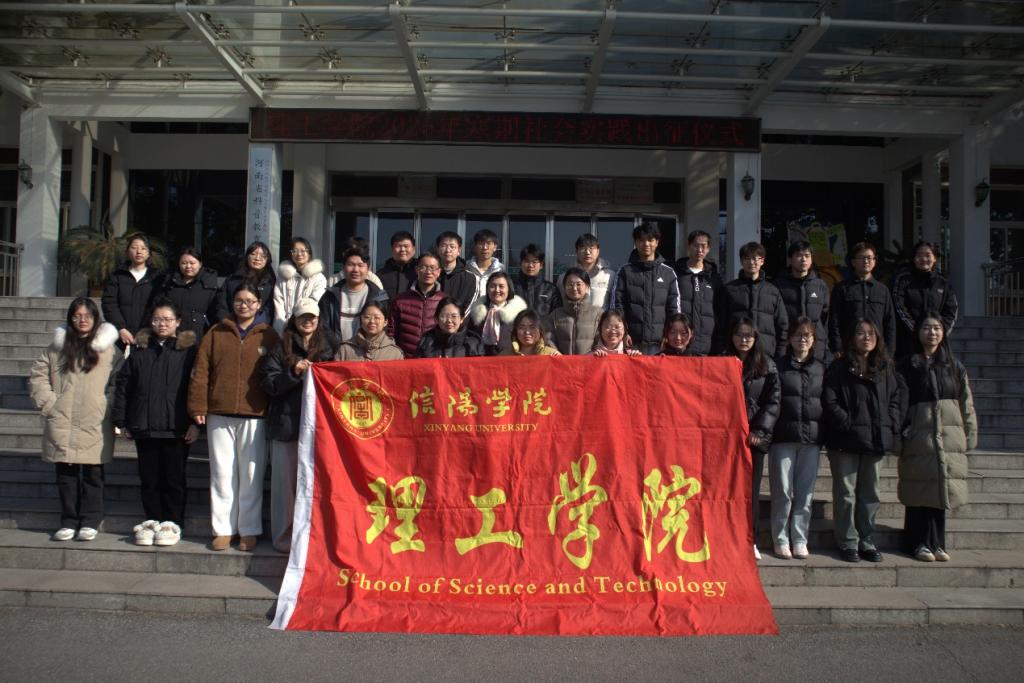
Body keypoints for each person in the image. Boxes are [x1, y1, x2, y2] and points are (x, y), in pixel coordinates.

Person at [188, 282, 280, 552]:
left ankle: (249, 530)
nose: (244, 305)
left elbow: (275, 373)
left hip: (255, 414)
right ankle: (223, 529)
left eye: (250, 301)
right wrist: (198, 406)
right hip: (219, 412)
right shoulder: (216, 332)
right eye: (240, 300)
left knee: (251, 475)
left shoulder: (269, 335)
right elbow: (201, 371)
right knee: (221, 473)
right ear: (232, 303)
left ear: (259, 305)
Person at [28, 298, 121, 542]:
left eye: (87, 316)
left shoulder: (109, 349)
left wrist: (107, 406)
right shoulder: (56, 347)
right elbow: (38, 376)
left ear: (95, 318)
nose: (82, 320)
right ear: (70, 318)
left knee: (93, 474)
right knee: (65, 474)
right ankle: (69, 520)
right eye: (77, 315)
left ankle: (91, 520)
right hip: (63, 418)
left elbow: (119, 381)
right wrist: (50, 404)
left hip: (95, 419)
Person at [112, 298, 199, 547]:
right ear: (151, 321)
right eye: (158, 319)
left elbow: (196, 388)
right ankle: (152, 520)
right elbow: (124, 386)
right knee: (149, 478)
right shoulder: (139, 351)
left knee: (174, 479)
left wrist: (196, 423)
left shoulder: (188, 352)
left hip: (177, 427)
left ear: (178, 322)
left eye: (168, 319)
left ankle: (173, 523)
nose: (162, 324)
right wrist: (122, 420)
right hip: (145, 425)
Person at [262, 299, 341, 553]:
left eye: (312, 317)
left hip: (321, 427)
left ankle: (315, 538)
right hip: (286, 424)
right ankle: (284, 538)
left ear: (318, 319)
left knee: (317, 485)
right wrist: (293, 373)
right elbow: (270, 383)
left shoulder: (330, 345)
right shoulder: (280, 347)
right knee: (285, 488)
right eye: (303, 317)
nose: (308, 321)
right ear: (294, 320)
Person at [822, 319, 904, 563]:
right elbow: (830, 399)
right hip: (845, 440)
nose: (866, 337)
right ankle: (847, 541)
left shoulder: (885, 367)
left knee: (870, 494)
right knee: (845, 493)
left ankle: (866, 540)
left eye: (871, 333)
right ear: (852, 338)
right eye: (860, 333)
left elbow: (895, 399)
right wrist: (846, 423)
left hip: (875, 439)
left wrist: (891, 423)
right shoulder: (839, 367)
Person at [898, 313, 977, 563]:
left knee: (941, 489)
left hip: (948, 434)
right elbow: (899, 402)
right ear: (918, 332)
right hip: (919, 433)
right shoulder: (908, 365)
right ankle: (917, 542)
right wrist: (900, 432)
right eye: (926, 328)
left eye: (936, 328)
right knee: (918, 488)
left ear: (943, 333)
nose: (931, 333)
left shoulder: (954, 365)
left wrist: (970, 433)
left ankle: (937, 542)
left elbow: (966, 403)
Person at [725, 317, 781, 560]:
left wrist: (759, 432)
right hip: (727, 439)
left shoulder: (767, 366)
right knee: (725, 493)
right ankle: (726, 538)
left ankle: (751, 540)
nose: (744, 339)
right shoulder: (723, 361)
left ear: (756, 338)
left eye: (748, 335)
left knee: (750, 493)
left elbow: (772, 403)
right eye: (739, 334)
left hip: (753, 440)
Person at [769, 317, 825, 560]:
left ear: (813, 340)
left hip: (811, 438)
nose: (802, 339)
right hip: (783, 436)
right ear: (790, 338)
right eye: (798, 335)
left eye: (807, 335)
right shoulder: (778, 366)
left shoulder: (820, 368)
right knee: (782, 491)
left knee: (805, 493)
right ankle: (780, 538)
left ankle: (800, 539)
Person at [612, 221, 681, 355]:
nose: (646, 244)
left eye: (650, 240)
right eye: (641, 240)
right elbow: (617, 306)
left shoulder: (668, 273)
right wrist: (623, 333)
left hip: (660, 344)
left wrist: (670, 334)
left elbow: (674, 309)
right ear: (636, 243)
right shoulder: (625, 271)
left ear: (657, 242)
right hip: (631, 343)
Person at [714, 241, 788, 358]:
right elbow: (720, 324)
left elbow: (782, 325)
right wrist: (721, 350)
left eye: (755, 258)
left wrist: (780, 354)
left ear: (762, 261)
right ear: (741, 261)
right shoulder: (729, 290)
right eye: (747, 258)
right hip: (735, 354)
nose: (751, 262)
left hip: (765, 354)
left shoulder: (773, 291)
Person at [891, 241, 959, 358]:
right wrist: (918, 331)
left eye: (928, 255)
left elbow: (951, 311)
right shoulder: (903, 280)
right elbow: (899, 308)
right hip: (908, 342)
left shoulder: (943, 283)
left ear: (935, 258)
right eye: (919, 255)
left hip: (936, 343)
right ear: (914, 258)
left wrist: (939, 331)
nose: (923, 259)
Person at [828, 242, 896, 357]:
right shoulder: (842, 288)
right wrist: (837, 347)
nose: (866, 261)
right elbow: (834, 320)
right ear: (853, 262)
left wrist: (890, 350)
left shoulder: (882, 290)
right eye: (861, 258)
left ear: (874, 261)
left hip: (877, 349)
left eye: (869, 258)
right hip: (849, 348)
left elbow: (890, 322)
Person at [102, 233, 161, 348]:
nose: (139, 252)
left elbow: (159, 305)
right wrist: (121, 328)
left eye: (143, 248)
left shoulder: (157, 277)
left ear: (149, 253)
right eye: (134, 248)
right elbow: (109, 303)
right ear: (127, 252)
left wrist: (148, 330)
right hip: (121, 335)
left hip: (149, 334)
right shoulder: (117, 276)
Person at [774, 240, 829, 362]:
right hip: (788, 345)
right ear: (790, 259)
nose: (803, 259)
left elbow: (825, 317)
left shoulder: (820, 286)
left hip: (816, 345)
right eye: (799, 255)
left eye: (807, 256)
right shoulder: (779, 285)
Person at [318, 246, 389, 340]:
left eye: (360, 265)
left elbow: (383, 329)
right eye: (350, 264)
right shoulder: (330, 296)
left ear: (368, 269)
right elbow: (323, 328)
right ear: (343, 268)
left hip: (368, 348)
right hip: (336, 348)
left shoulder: (379, 297)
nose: (355, 270)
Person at [155, 247, 219, 343]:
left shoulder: (210, 285)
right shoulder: (168, 283)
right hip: (171, 336)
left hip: (199, 337)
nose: (188, 266)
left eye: (192, 263)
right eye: (184, 263)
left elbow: (215, 313)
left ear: (200, 264)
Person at [673, 230, 722, 356]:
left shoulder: (714, 278)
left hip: (707, 345)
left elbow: (719, 310)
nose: (699, 250)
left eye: (703, 246)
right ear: (689, 246)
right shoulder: (675, 273)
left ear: (708, 249)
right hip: (679, 344)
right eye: (696, 245)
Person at [388, 252, 445, 357]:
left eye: (432, 268)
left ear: (439, 272)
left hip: (434, 359)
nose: (428, 272)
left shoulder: (444, 301)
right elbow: (391, 332)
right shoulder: (400, 300)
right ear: (417, 270)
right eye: (424, 267)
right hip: (405, 358)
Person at [272, 237, 327, 333]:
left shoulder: (319, 278)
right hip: (284, 327)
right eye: (295, 251)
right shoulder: (283, 277)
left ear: (309, 253)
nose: (299, 254)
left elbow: (314, 302)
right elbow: (278, 304)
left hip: (307, 326)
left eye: (303, 251)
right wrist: (281, 327)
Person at [213, 241, 276, 324]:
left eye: (263, 256)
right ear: (247, 257)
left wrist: (255, 325)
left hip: (259, 328)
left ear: (267, 260)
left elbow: (269, 310)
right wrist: (229, 323)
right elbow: (221, 305)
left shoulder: (271, 283)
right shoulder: (232, 280)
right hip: (230, 326)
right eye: (253, 254)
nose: (257, 258)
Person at [546, 267, 603, 355]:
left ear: (587, 286)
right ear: (564, 287)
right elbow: (548, 339)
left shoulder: (598, 314)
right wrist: (555, 352)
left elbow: (601, 340)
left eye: (578, 284)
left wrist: (595, 353)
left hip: (590, 362)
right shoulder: (555, 315)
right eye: (570, 284)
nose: (574, 288)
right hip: (561, 362)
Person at [468, 271, 528, 356]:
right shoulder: (477, 313)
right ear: (487, 289)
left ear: (509, 289)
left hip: (510, 359)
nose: (497, 290)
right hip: (481, 359)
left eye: (501, 286)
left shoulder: (519, 314)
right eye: (492, 286)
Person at [557, 233, 615, 310]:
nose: (587, 252)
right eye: (583, 248)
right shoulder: (564, 278)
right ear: (577, 251)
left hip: (601, 317)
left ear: (598, 251)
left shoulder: (610, 276)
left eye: (591, 248)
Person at [416, 298, 485, 358]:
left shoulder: (473, 343)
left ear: (461, 319)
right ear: (436, 319)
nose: (449, 320)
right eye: (444, 316)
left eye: (454, 316)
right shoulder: (426, 342)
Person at [337, 301, 404, 361]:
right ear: (361, 320)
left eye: (377, 318)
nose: (372, 321)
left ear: (385, 322)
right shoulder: (345, 349)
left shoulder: (395, 353)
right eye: (367, 317)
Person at [434, 231, 478, 314]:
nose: (448, 250)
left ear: (459, 251)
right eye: (443, 246)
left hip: (459, 321)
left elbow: (470, 304)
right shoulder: (431, 274)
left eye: (452, 246)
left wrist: (458, 319)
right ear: (438, 249)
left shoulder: (469, 278)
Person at [514, 244, 561, 317]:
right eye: (527, 261)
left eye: (534, 262)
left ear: (541, 265)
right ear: (521, 263)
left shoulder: (551, 289)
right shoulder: (512, 287)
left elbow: (557, 316)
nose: (530, 265)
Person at [466, 228, 504, 309]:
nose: (485, 247)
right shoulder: (466, 268)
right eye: (481, 243)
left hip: (494, 312)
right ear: (475, 247)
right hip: (469, 313)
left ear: (495, 247)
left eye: (489, 243)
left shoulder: (501, 270)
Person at [377, 230, 418, 300]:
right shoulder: (380, 275)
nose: (402, 249)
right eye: (398, 246)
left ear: (414, 249)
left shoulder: (421, 273)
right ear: (392, 249)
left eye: (406, 246)